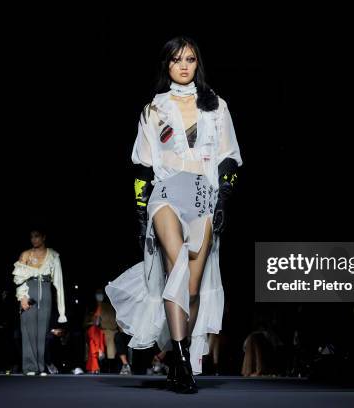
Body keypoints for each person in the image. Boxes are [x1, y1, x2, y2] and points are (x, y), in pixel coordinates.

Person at [105, 36, 242, 393]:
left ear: (198, 64)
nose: (184, 66)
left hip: (203, 196)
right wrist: (140, 213)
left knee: (193, 289)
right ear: (166, 65)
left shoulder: (217, 106)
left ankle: (177, 358)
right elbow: (143, 167)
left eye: (191, 59)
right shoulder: (154, 108)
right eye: (177, 60)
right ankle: (182, 364)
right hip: (165, 194)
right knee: (176, 267)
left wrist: (223, 200)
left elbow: (229, 157)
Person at [12, 228, 67, 376]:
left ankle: (41, 366)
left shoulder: (53, 255)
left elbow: (59, 283)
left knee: (43, 331)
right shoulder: (26, 254)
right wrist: (22, 296)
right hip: (29, 290)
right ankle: (30, 367)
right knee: (28, 329)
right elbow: (18, 278)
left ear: (43, 237)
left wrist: (62, 312)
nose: (34, 240)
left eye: (36, 236)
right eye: (32, 237)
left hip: (46, 290)